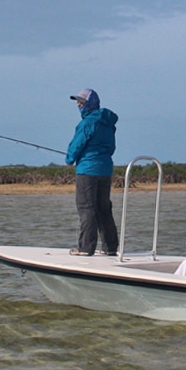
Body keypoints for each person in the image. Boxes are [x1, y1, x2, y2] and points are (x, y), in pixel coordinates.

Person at [65, 88, 120, 256]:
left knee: (86, 207)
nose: (79, 105)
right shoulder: (108, 124)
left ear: (91, 104)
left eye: (82, 102)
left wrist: (69, 159)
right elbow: (111, 148)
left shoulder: (87, 123)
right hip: (105, 169)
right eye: (78, 102)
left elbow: (76, 146)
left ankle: (85, 248)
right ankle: (110, 247)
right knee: (104, 208)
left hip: (87, 171)